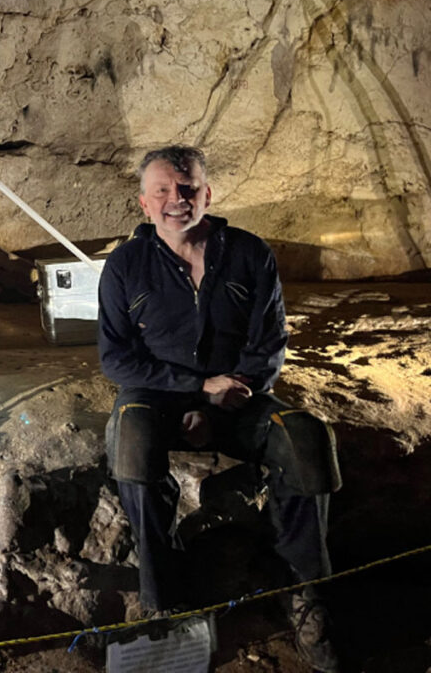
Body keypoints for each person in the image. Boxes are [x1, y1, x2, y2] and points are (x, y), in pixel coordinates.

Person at [98, 146, 342, 672]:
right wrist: (191, 389)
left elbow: (269, 341)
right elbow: (117, 358)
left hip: (236, 395)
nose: (176, 200)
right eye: (162, 190)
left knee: (305, 438)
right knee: (133, 440)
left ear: (208, 194)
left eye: (187, 189)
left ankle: (304, 592)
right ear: (144, 203)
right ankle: (164, 598)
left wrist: (223, 397)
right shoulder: (125, 266)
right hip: (157, 397)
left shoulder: (250, 254)